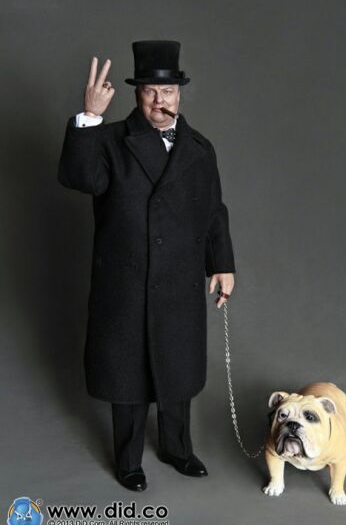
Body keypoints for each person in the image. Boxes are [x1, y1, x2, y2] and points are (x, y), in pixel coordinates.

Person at [57, 40, 236, 491]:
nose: (160, 101)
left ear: (180, 93)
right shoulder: (110, 140)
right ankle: (128, 461)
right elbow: (77, 178)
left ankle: (178, 449)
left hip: (179, 280)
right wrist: (89, 117)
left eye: (168, 91)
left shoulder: (200, 148)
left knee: (178, 370)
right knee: (128, 377)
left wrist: (222, 264)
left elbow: (213, 210)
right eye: (150, 92)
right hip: (127, 281)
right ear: (137, 94)